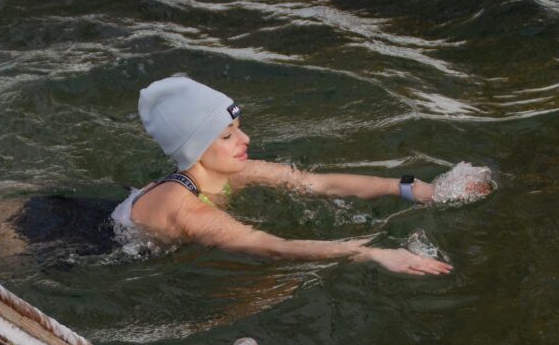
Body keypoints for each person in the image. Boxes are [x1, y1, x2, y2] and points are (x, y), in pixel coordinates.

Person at [115, 76, 478, 276]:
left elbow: (319, 183)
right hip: (91, 245)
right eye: (227, 136)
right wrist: (373, 254)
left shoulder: (232, 173)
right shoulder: (188, 209)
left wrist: (411, 189)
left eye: (239, 128)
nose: (245, 139)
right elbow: (273, 246)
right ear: (194, 150)